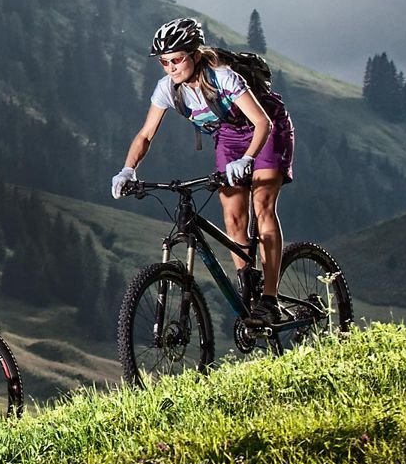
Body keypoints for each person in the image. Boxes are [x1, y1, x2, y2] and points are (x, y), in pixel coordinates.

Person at [110, 17, 296, 312]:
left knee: (262, 206)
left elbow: (262, 122)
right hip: (228, 137)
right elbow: (146, 134)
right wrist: (127, 169)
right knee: (233, 218)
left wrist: (248, 159)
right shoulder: (167, 89)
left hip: (266, 131)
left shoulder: (222, 76)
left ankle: (270, 298)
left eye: (177, 60)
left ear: (195, 55)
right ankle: (247, 278)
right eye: (164, 63)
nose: (171, 68)